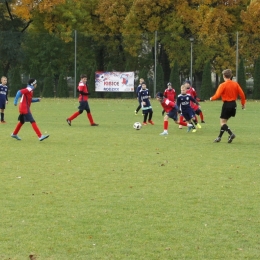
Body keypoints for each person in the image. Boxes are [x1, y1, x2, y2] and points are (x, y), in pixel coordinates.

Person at [210, 69, 246, 143]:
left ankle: (231, 134)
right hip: (234, 105)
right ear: (231, 76)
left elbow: (217, 95)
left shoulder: (223, 85)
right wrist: (243, 104)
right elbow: (242, 94)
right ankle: (219, 137)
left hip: (227, 104)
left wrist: (211, 98)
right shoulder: (235, 84)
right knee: (224, 122)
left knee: (222, 122)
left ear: (224, 76)